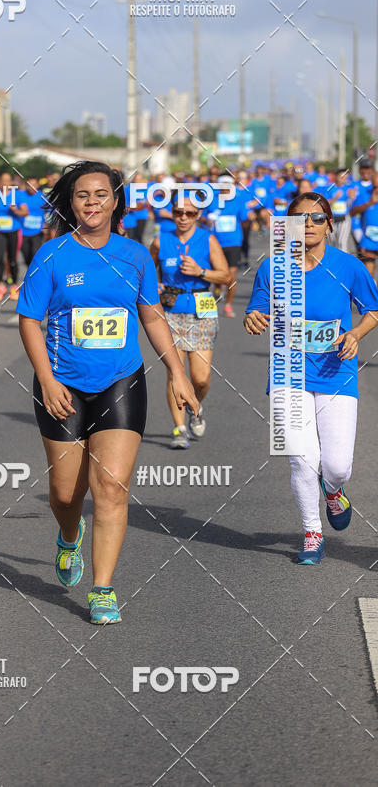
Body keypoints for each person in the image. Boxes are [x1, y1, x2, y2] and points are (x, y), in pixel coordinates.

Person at [17, 161, 198, 625]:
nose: (92, 202)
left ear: (116, 201)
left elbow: (153, 316)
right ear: (71, 203)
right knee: (64, 493)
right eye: (82, 195)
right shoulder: (51, 256)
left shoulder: (135, 256)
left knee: (113, 487)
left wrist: (176, 371)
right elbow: (30, 320)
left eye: (101, 194)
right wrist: (48, 380)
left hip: (121, 379)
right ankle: (67, 534)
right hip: (62, 384)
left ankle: (103, 589)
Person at [244, 192, 378, 564]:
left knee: (337, 465)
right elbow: (256, 308)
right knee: (302, 459)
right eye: (299, 218)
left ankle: (334, 490)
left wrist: (354, 335)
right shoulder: (272, 268)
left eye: (317, 218)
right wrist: (252, 317)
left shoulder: (349, 266)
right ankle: (312, 532)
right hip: (288, 373)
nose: (308, 225)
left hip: (337, 373)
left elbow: (373, 310)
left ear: (329, 224)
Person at [150, 192, 229, 448]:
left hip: (202, 307)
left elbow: (226, 276)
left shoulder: (208, 240)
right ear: (171, 214)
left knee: (201, 377)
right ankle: (179, 428)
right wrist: (156, 285)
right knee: (176, 373)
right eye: (178, 213)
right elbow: (147, 274)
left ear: (198, 216)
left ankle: (197, 404)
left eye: (190, 213)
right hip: (169, 311)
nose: (183, 218)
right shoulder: (160, 241)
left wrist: (201, 271)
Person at [202, 174, 249, 317]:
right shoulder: (211, 200)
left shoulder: (238, 200)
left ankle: (228, 305)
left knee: (231, 275)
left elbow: (244, 219)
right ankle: (215, 290)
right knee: (213, 274)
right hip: (215, 242)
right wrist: (207, 221)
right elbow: (200, 216)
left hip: (233, 242)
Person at [0, 171, 28, 302]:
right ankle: (0, 284)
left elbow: (25, 212)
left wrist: (15, 210)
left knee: (12, 259)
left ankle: (13, 286)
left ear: (11, 183)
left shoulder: (17, 195)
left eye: (8, 181)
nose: (5, 184)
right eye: (3, 181)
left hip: (13, 230)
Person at [350, 172, 378, 279]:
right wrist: (370, 203)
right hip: (369, 238)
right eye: (375, 186)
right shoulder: (365, 194)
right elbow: (352, 212)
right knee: (368, 274)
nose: (376, 189)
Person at [20, 177, 47, 266]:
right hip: (23, 232)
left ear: (38, 185)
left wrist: (46, 224)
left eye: (34, 185)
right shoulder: (20, 195)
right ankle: (30, 269)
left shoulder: (42, 197)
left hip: (37, 231)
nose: (31, 187)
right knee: (26, 256)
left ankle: (34, 275)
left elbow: (51, 211)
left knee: (35, 254)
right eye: (29, 185)